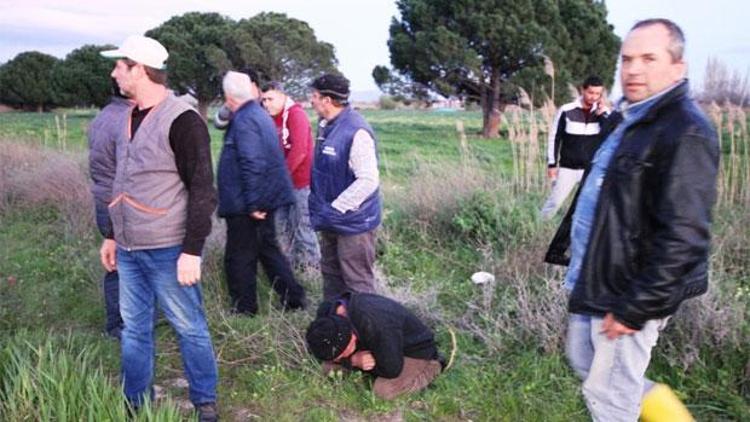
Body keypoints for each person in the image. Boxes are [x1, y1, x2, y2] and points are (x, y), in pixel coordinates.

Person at [545, 19, 719, 421]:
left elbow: (685, 237)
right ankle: (667, 413)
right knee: (584, 361)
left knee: (610, 398)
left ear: (678, 67)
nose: (633, 69)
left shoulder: (685, 131)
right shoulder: (628, 121)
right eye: (626, 59)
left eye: (648, 58)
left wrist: (634, 308)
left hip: (627, 289)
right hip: (596, 277)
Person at [99, 35, 219, 421]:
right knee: (134, 330)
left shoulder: (184, 119)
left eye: (120, 64)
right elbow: (123, 181)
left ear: (140, 69)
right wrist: (113, 235)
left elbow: (202, 188)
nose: (114, 71)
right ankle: (135, 403)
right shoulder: (126, 117)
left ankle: (205, 403)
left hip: (170, 249)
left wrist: (192, 250)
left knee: (190, 327)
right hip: (130, 248)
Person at [217, 70, 306, 316]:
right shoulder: (257, 113)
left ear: (228, 95)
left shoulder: (246, 119)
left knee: (239, 258)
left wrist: (254, 203)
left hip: (248, 203)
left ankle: (244, 310)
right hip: (261, 197)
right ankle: (294, 299)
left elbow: (253, 162)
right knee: (267, 251)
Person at [308, 74, 381, 300]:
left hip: (353, 222)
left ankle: (364, 331)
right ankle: (335, 328)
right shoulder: (325, 126)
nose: (311, 100)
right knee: (331, 275)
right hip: (331, 218)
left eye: (315, 96)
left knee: (357, 283)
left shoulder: (356, 131)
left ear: (327, 100)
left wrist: (337, 208)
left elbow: (368, 180)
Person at [305, 292, 443, 400]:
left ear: (352, 339)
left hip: (413, 350)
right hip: (377, 341)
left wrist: (353, 363)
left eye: (341, 355)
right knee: (328, 368)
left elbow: (391, 369)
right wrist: (353, 360)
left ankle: (431, 368)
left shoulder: (376, 325)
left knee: (383, 391)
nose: (338, 358)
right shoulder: (327, 311)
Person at [260, 81, 321, 270]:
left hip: (299, 184)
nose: (266, 104)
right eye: (263, 100)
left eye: (270, 99)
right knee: (282, 228)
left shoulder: (296, 114)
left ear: (282, 96)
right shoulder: (272, 117)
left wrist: (280, 178)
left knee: (302, 228)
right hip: (282, 185)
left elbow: (299, 151)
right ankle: (293, 268)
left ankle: (313, 270)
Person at [88, 78, 130, 340]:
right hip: (118, 200)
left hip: (103, 197)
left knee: (117, 264)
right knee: (124, 266)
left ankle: (119, 323)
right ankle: (119, 325)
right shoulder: (126, 120)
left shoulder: (104, 115)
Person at [541, 76, 610, 219]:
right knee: (554, 202)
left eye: (598, 94)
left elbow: (610, 135)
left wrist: (602, 115)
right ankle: (538, 227)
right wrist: (552, 164)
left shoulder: (603, 113)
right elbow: (555, 137)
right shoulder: (567, 110)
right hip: (568, 168)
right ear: (582, 90)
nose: (594, 97)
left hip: (590, 170)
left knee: (591, 206)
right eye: (591, 92)